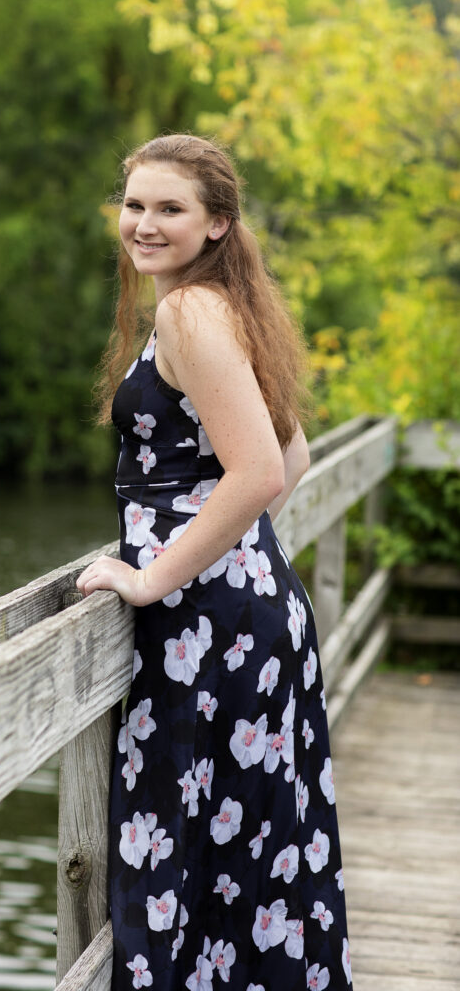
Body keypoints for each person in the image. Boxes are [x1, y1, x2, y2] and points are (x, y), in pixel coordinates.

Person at [76, 134, 353, 991]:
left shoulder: (189, 313)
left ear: (217, 224)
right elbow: (292, 455)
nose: (144, 224)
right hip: (242, 611)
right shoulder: (225, 306)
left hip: (203, 624)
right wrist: (237, 556)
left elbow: (262, 471)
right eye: (134, 205)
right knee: (245, 853)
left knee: (187, 844)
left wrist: (152, 575)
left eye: (170, 208)